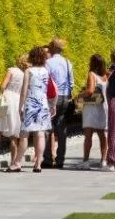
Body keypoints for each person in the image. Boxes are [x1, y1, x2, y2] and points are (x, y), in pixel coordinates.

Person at [10, 46, 53, 173]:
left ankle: (17, 162)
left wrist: (20, 106)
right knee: (40, 134)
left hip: (31, 104)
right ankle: (38, 164)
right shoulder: (46, 71)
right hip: (43, 104)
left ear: (32, 57)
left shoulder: (29, 71)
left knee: (24, 135)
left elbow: (24, 91)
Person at [0, 54, 28, 171]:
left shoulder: (11, 70)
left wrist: (1, 93)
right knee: (13, 134)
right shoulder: (26, 74)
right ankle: (14, 161)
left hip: (7, 100)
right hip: (18, 101)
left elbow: (3, 86)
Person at [44, 37, 74, 169]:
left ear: (53, 47)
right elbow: (71, 83)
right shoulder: (68, 62)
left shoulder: (48, 63)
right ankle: (60, 159)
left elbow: (46, 81)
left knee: (47, 127)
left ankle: (47, 159)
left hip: (52, 97)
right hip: (64, 97)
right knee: (61, 128)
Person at [76, 53, 109, 169]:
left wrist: (79, 95)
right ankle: (103, 160)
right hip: (103, 106)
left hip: (91, 107)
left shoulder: (92, 74)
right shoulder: (106, 75)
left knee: (88, 135)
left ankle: (86, 161)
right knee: (102, 135)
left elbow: (90, 91)